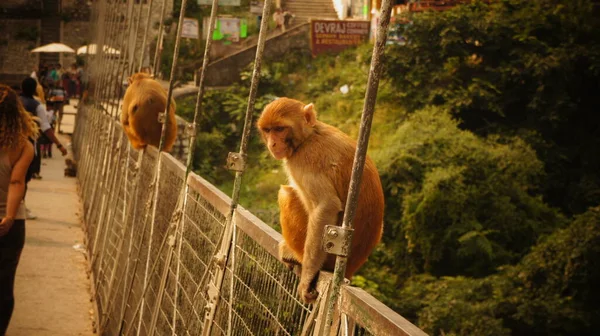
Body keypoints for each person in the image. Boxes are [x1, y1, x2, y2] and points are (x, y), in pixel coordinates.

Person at [0, 84, 38, 334]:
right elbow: (16, 182)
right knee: (3, 286)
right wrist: (9, 217)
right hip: (10, 226)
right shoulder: (24, 145)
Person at [19, 77, 67, 184]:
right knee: (25, 176)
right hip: (28, 143)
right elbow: (46, 128)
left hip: (10, 141)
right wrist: (59, 146)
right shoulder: (37, 106)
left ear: (21, 88)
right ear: (35, 90)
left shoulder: (13, 102)